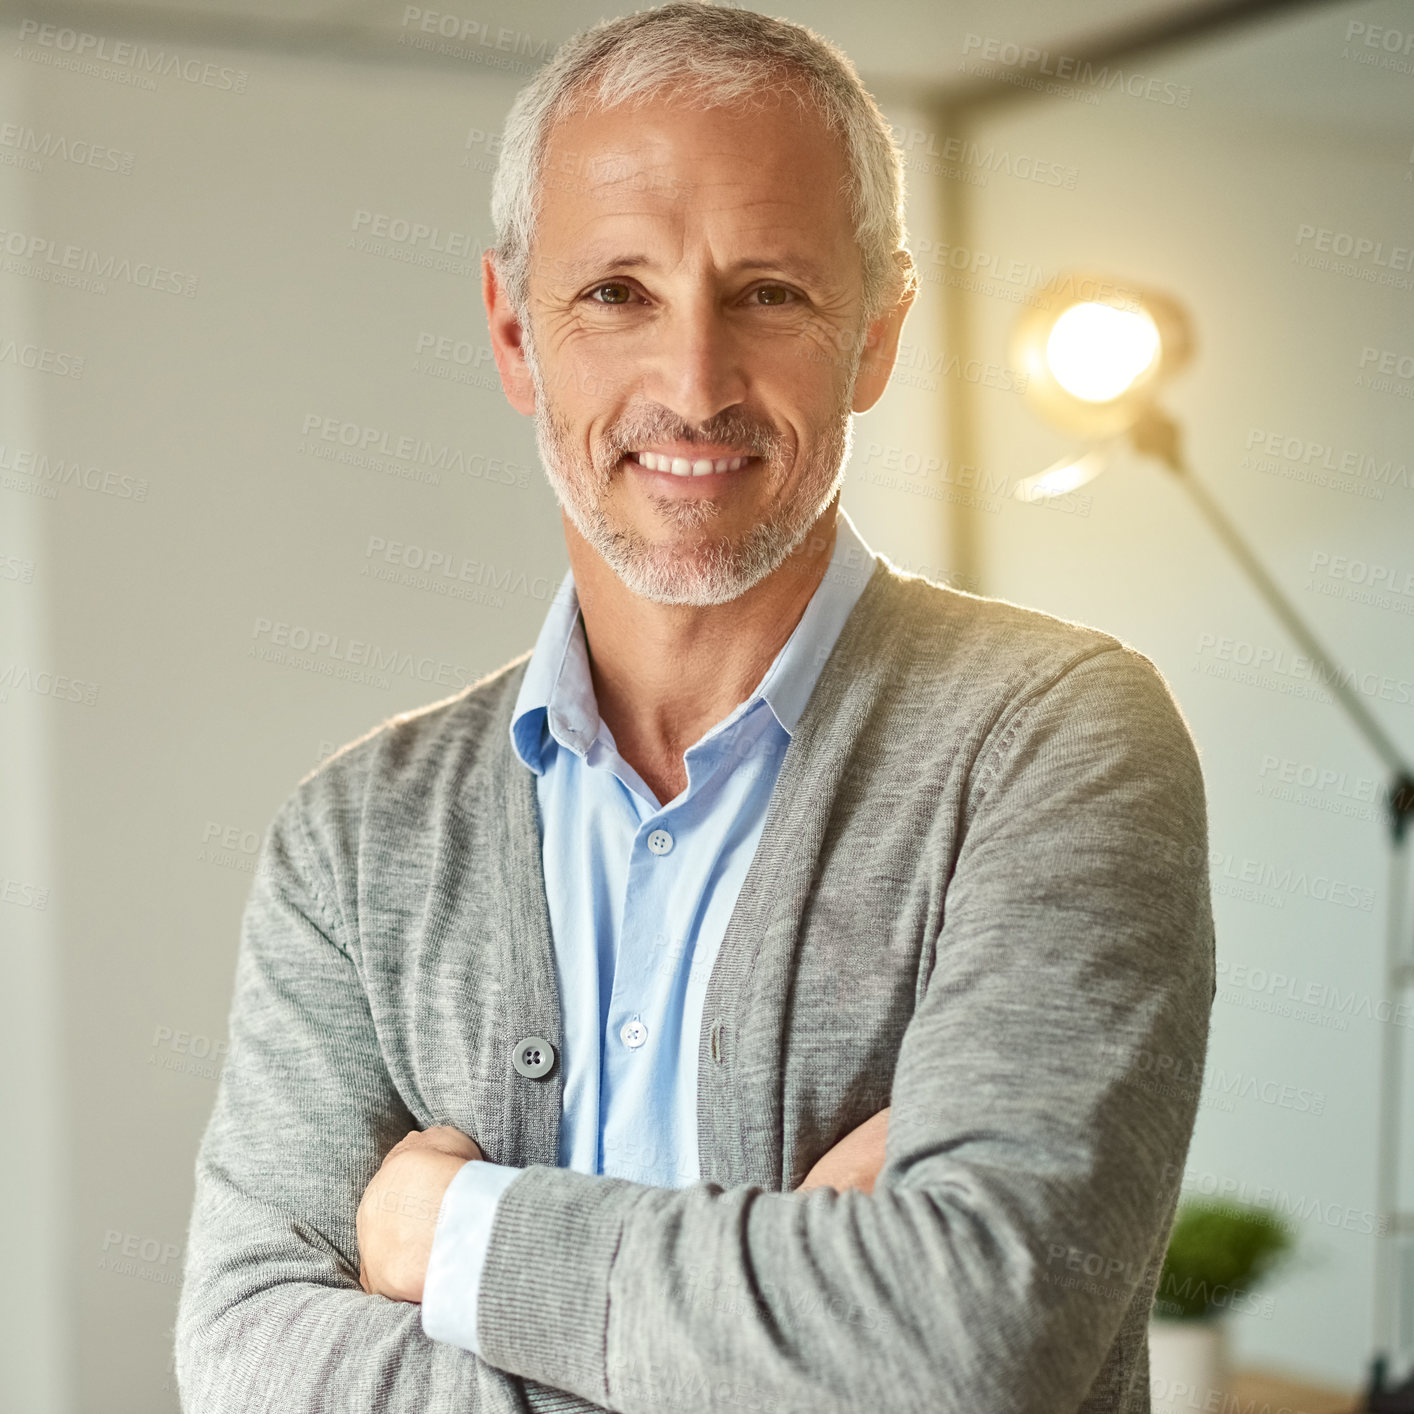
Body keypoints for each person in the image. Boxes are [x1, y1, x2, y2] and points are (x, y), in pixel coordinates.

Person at [175, 6, 1215, 1412]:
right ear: (511, 333)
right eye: (615, 292)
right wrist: (803, 1314)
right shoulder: (357, 840)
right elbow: (246, 1358)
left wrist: (453, 1234)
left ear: (876, 332)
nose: (693, 384)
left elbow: (969, 1341)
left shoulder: (1055, 745)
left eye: (770, 292)